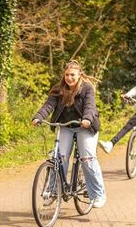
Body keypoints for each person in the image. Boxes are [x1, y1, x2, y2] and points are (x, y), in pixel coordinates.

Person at [32, 60, 108, 208]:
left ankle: (98, 195)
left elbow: (90, 106)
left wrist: (87, 119)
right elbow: (49, 105)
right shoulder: (58, 89)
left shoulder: (87, 88)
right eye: (67, 75)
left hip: (84, 126)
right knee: (59, 158)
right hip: (65, 127)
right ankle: (53, 191)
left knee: (87, 158)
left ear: (79, 75)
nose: (69, 78)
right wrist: (39, 116)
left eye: (72, 75)